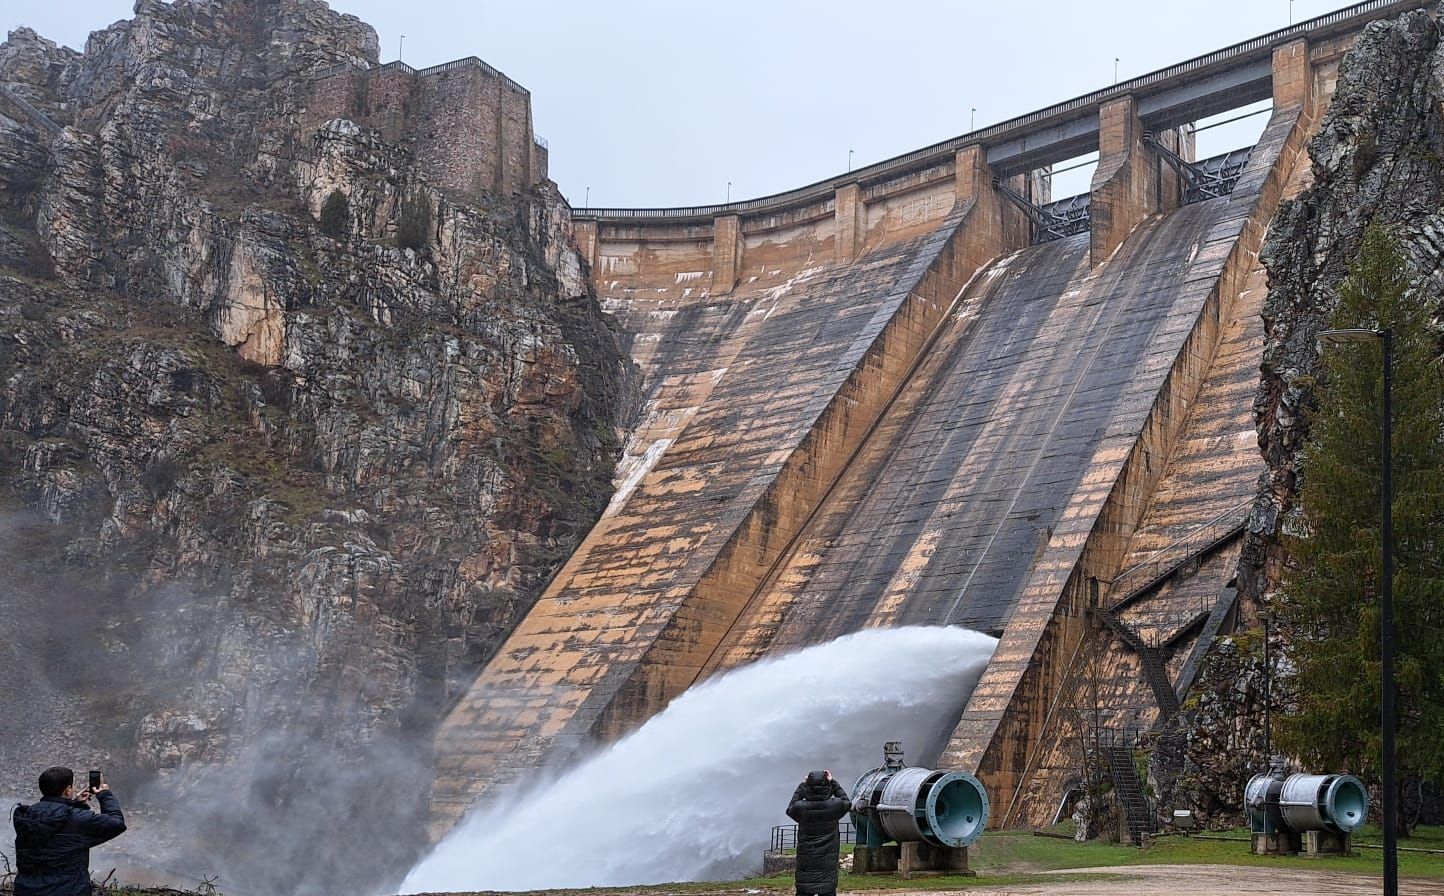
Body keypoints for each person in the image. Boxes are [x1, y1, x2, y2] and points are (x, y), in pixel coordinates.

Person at [12, 767, 126, 896]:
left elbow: (53, 822)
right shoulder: (77, 818)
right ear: (67, 790)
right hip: (68, 891)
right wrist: (104, 794)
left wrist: (73, 804)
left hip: (26, 890)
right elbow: (117, 823)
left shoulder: (24, 816)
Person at [786, 769, 851, 896]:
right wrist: (833, 783)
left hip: (806, 859)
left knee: (804, 890)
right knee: (827, 891)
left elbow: (790, 809)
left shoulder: (800, 808)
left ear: (807, 787)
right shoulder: (835, 806)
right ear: (827, 786)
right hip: (828, 862)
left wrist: (803, 785)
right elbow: (847, 802)